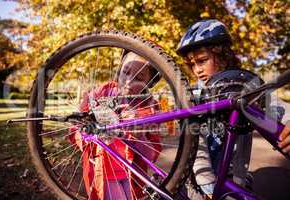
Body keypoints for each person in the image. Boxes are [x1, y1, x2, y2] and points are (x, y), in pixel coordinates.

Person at [176, 19, 253, 198]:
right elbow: (194, 144)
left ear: (223, 55)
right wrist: (208, 183)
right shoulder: (191, 96)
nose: (197, 70)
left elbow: (274, 107)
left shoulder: (242, 85)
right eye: (192, 64)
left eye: (202, 61)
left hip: (234, 177)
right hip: (198, 180)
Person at [69, 52, 162, 200]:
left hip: (133, 176)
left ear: (149, 83)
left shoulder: (150, 106)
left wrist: (139, 134)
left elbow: (153, 154)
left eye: (139, 78)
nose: (129, 81)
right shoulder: (102, 92)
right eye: (125, 72)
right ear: (119, 69)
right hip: (101, 173)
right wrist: (90, 135)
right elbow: (75, 129)